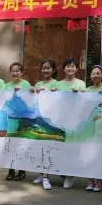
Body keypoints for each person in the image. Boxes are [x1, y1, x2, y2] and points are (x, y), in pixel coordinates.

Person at [55, 58, 86, 189]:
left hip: (75, 120)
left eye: (73, 66)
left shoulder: (81, 83)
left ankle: (70, 175)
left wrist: (80, 94)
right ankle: (64, 172)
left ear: (76, 69)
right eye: (67, 66)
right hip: (60, 120)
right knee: (61, 147)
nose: (70, 68)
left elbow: (85, 100)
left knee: (72, 147)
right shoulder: (58, 84)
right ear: (64, 69)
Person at [84, 65, 102, 192]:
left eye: (98, 73)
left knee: (100, 153)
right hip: (91, 124)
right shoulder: (87, 90)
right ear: (90, 76)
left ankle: (99, 180)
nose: (95, 75)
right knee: (89, 152)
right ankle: (90, 180)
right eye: (93, 73)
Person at [31, 59, 58, 190]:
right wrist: (33, 90)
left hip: (51, 120)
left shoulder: (57, 83)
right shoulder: (38, 84)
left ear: (53, 70)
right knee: (40, 147)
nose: (45, 70)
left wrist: (53, 91)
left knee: (48, 147)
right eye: (43, 68)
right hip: (39, 118)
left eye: (48, 68)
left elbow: (59, 99)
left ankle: (46, 176)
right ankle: (42, 174)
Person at [4, 62, 31, 182]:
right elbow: (3, 99)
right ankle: (11, 170)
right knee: (10, 144)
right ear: (10, 72)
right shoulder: (7, 85)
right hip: (10, 118)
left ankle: (21, 170)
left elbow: (30, 99)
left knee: (21, 144)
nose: (15, 73)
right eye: (13, 71)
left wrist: (22, 92)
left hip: (23, 118)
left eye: (17, 71)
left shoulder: (26, 84)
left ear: (22, 72)